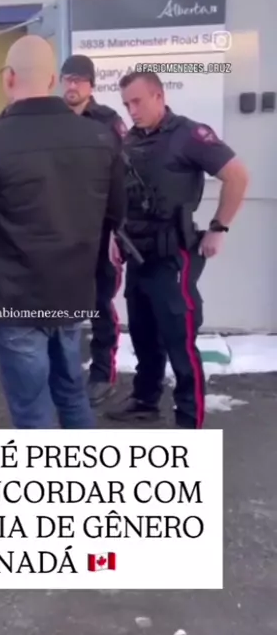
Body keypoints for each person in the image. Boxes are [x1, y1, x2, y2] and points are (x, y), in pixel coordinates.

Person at [0, 35, 126, 429]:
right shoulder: (98, 138)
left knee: (31, 410)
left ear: (9, 77)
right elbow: (117, 212)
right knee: (72, 394)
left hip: (16, 297)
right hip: (72, 291)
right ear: (52, 80)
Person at [106, 71, 249, 429]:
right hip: (137, 254)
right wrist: (113, 236)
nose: (131, 110)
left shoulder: (189, 134)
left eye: (137, 101)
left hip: (174, 256)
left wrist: (219, 228)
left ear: (159, 96)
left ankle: (189, 420)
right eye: (126, 104)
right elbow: (121, 195)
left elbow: (237, 175)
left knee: (180, 342)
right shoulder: (130, 140)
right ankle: (145, 401)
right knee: (143, 335)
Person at [60, 54, 128, 406]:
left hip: (101, 227)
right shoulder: (52, 119)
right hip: (61, 226)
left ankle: (102, 373)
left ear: (91, 85)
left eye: (79, 80)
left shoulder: (108, 121)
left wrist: (118, 230)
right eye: (67, 79)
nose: (72, 86)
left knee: (101, 301)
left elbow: (124, 175)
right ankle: (64, 372)